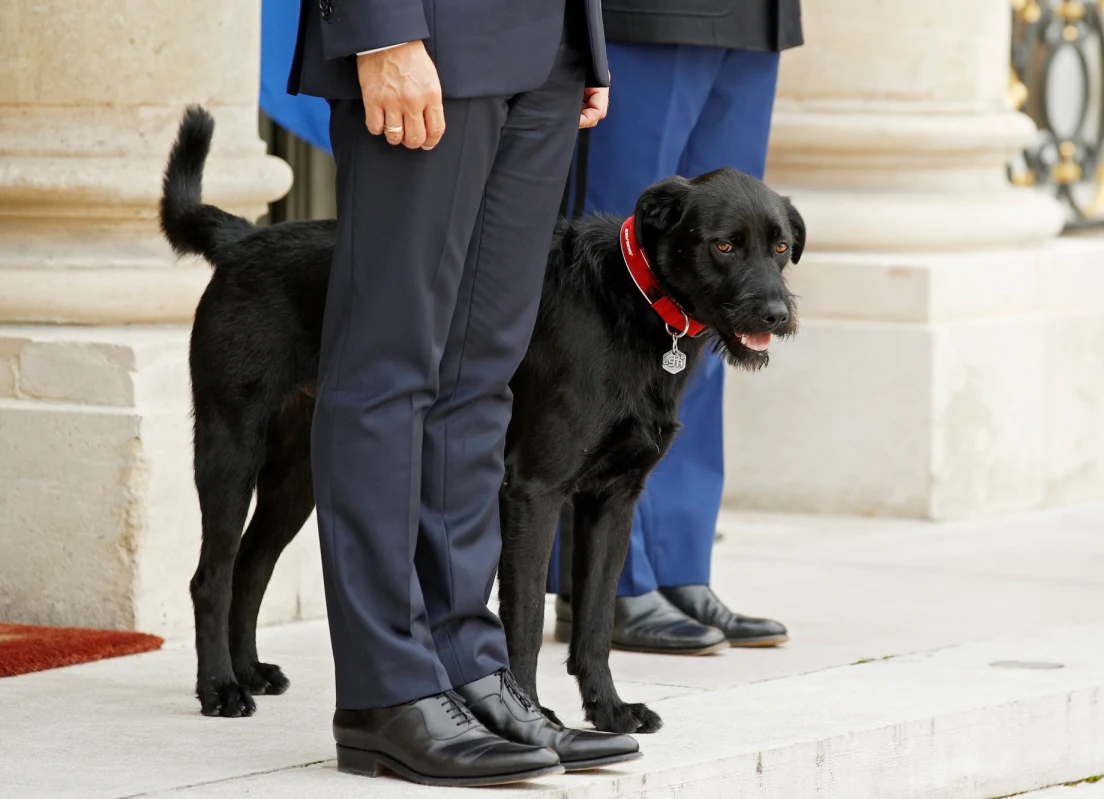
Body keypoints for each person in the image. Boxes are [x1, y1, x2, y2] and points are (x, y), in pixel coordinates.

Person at [286, 0, 641, 787]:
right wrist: (380, 28)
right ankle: (386, 691)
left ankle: (467, 664)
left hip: (548, 46)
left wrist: (582, 38)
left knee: (481, 374)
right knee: (386, 369)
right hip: (428, 33)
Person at [548, 0, 803, 655]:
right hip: (640, 15)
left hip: (752, 18)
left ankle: (678, 563)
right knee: (617, 289)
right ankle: (606, 581)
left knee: (723, 296)